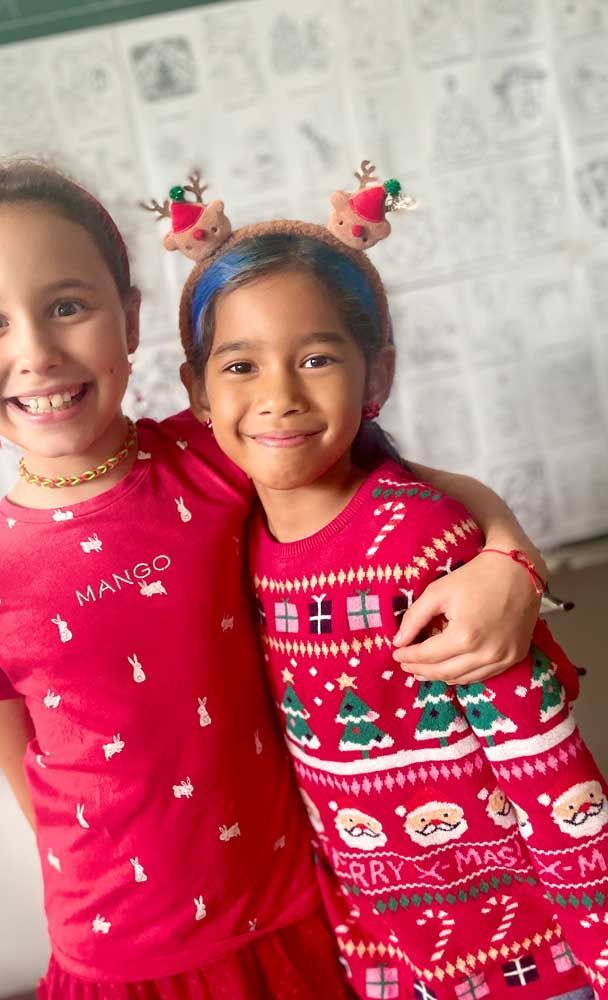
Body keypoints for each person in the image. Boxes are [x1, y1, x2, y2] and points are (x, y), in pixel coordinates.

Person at [0, 99, 551, 998]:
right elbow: (29, 792)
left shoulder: (217, 457)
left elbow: (406, 484)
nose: (35, 353)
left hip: (304, 915)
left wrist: (510, 560)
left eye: (67, 306)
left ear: (130, 320)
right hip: (123, 962)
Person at [173, 164, 607, 999]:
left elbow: (549, 772)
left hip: (537, 964)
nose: (278, 396)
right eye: (240, 366)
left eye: (315, 358)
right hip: (393, 962)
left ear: (375, 377)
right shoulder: (235, 540)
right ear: (196, 390)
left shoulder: (421, 544)